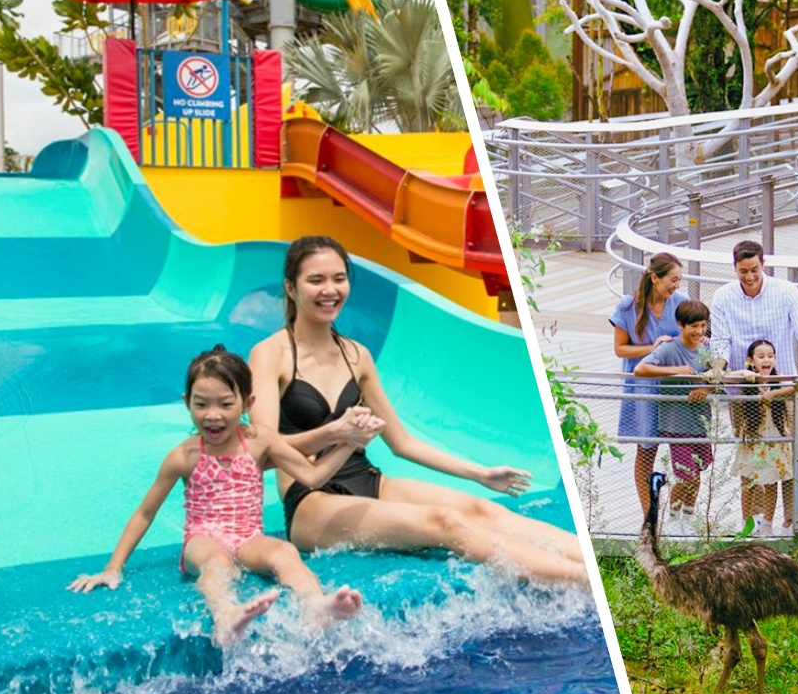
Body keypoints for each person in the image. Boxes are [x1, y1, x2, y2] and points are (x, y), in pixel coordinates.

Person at [247, 235, 589, 584]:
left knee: (483, 509)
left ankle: (588, 564)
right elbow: (262, 449)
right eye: (316, 280)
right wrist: (334, 433)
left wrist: (480, 474)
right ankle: (578, 580)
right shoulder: (270, 355)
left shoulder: (356, 355)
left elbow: (402, 443)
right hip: (311, 501)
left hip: (366, 479)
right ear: (291, 288)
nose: (330, 290)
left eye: (339, 278)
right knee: (444, 523)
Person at [68, 346, 365, 645]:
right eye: (201, 404)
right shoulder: (183, 456)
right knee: (217, 562)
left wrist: (350, 443)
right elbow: (145, 513)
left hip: (248, 537)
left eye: (225, 404)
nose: (212, 415)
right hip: (202, 538)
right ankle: (225, 616)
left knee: (284, 552)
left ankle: (315, 606)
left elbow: (313, 476)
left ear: (247, 403)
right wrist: (113, 568)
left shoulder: (259, 441)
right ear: (187, 402)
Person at [709, 240, 798, 535]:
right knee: (751, 457)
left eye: (754, 270)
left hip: (782, 391)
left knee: (788, 455)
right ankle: (756, 524)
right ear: (735, 268)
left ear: (763, 265)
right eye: (743, 271)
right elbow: (720, 341)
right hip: (744, 394)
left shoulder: (786, 291)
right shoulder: (723, 297)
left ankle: (789, 522)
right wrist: (718, 369)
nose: (749, 276)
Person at [609, 252, 686, 515]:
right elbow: (620, 349)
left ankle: (676, 513)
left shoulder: (681, 302)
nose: (676, 285)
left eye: (679, 279)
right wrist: (651, 347)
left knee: (683, 452)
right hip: (643, 388)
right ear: (655, 278)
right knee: (645, 452)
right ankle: (649, 516)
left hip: (674, 387)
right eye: (673, 279)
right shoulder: (628, 306)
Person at [634, 300, 723, 521]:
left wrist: (706, 388)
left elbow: (719, 378)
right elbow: (640, 368)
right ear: (681, 325)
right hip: (676, 424)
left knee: (698, 471)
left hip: (700, 422)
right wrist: (677, 371)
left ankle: (688, 518)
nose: (699, 331)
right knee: (686, 474)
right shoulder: (668, 348)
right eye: (694, 326)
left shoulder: (707, 349)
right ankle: (673, 519)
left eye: (703, 326)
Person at [732, 339, 796, 536]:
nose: (766, 360)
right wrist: (744, 372)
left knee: (771, 483)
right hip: (752, 440)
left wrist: (774, 394)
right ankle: (747, 523)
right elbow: (723, 378)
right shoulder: (748, 381)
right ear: (751, 360)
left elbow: (797, 386)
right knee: (748, 483)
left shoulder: (779, 379)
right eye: (761, 357)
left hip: (774, 438)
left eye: (770, 356)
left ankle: (768, 524)